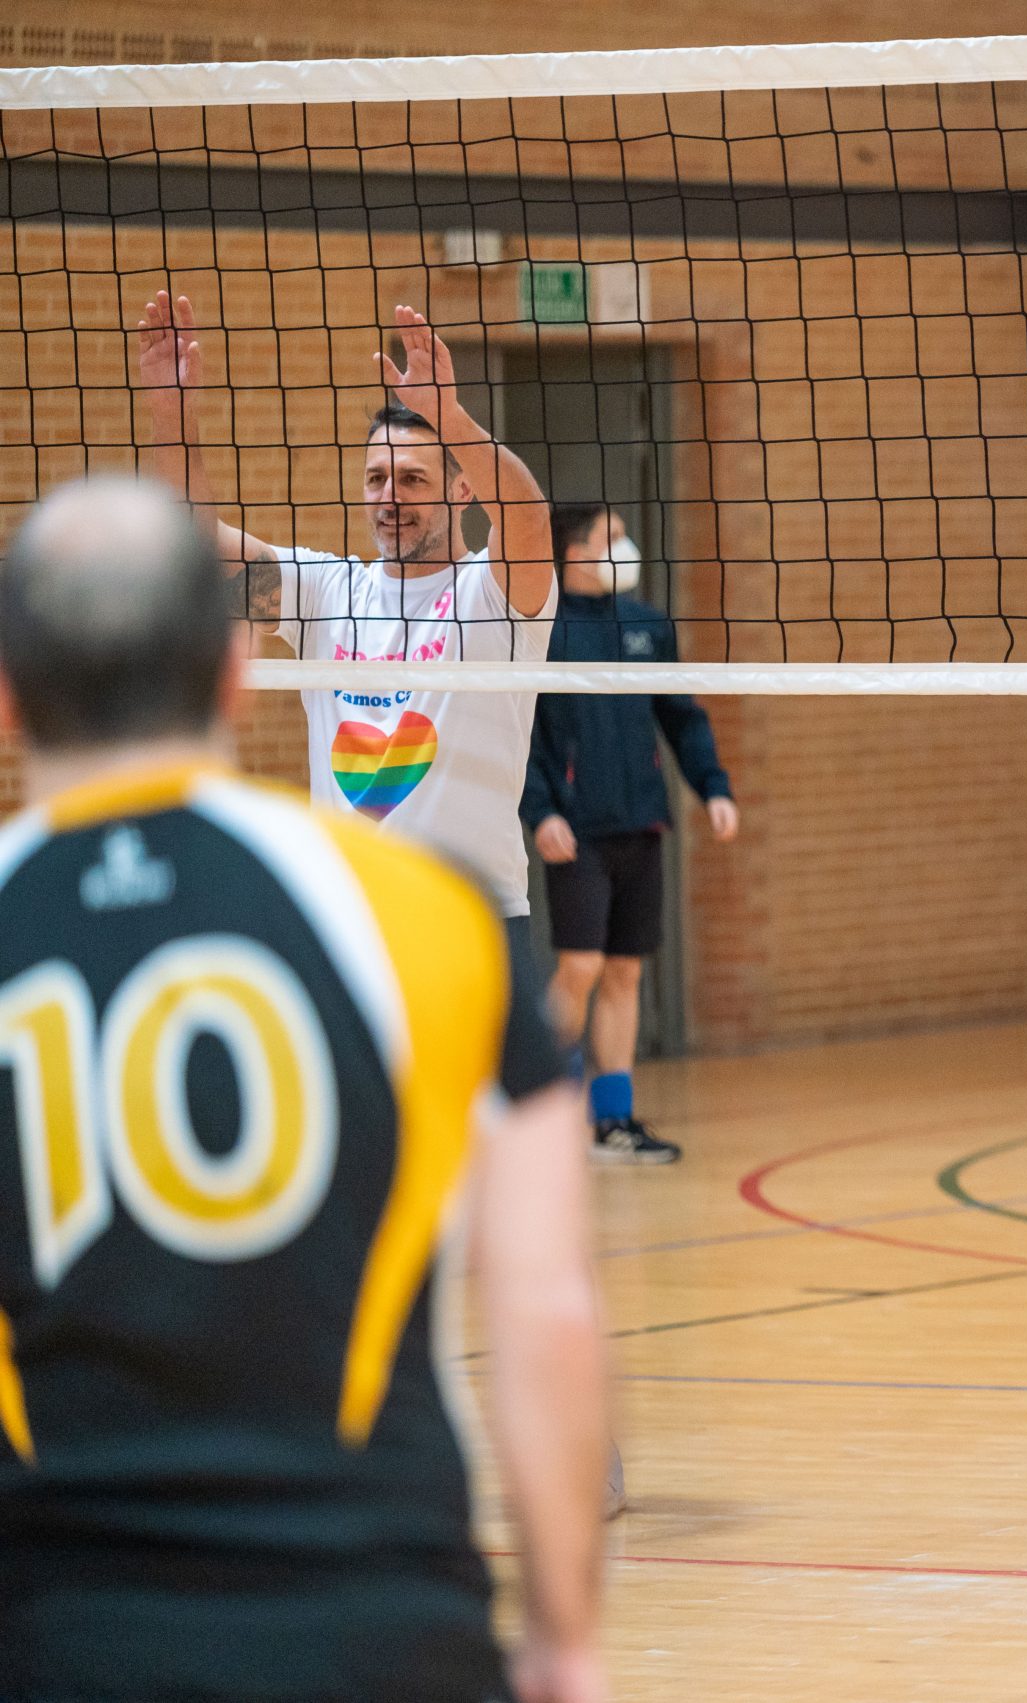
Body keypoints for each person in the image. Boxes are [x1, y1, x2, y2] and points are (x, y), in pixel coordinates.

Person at [0, 478, 610, 1702]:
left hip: (60, 1636)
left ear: (9, 696)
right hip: (377, 1627)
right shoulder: (429, 919)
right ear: (238, 674)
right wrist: (563, 1630)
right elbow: (546, 1306)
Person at [132, 290, 557, 943]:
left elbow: (527, 519)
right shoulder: (329, 592)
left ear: (461, 489)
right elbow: (192, 549)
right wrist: (173, 418)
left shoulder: (492, 592)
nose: (390, 498)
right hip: (349, 921)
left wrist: (449, 418)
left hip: (473, 920)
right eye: (376, 479)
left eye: (412, 479)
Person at [522, 504, 739, 1165]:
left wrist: (713, 786)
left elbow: (681, 714)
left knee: (624, 971)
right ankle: (537, 1112)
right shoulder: (541, 631)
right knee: (580, 967)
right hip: (576, 827)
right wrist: (541, 811)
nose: (625, 546)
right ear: (573, 551)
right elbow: (519, 731)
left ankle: (613, 1120)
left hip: (641, 820)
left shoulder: (647, 626)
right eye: (610, 537)